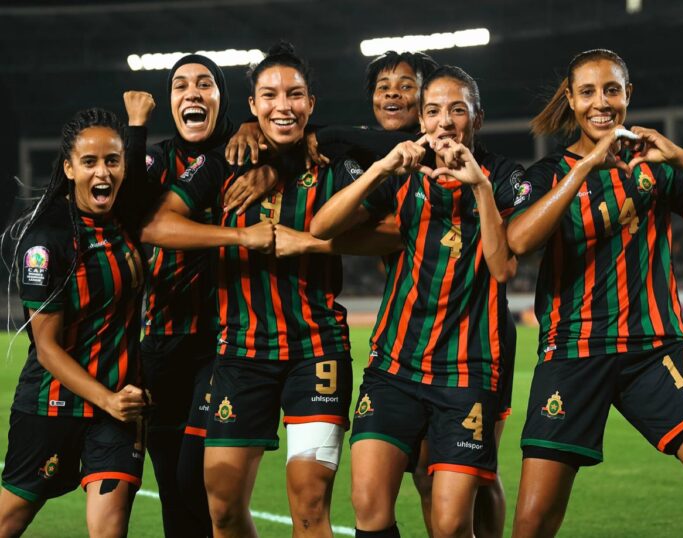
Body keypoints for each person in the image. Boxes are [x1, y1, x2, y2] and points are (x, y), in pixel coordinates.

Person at [142, 42, 399, 538]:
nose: (284, 105)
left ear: (311, 103)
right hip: (240, 355)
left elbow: (393, 232)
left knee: (309, 506)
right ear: (253, 105)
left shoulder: (333, 162)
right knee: (222, 509)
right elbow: (156, 226)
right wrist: (239, 236)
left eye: (295, 94)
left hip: (317, 350)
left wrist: (315, 242)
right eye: (270, 95)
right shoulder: (221, 163)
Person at [506, 48, 683, 538]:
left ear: (628, 94)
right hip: (573, 353)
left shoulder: (655, 166)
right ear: (571, 100)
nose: (601, 102)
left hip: (657, 350)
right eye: (588, 92)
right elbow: (518, 241)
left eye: (612, 90)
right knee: (533, 525)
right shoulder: (548, 173)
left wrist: (682, 157)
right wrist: (585, 167)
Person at [310, 66, 520, 538]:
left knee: (450, 524)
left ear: (477, 118)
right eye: (433, 111)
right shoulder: (403, 172)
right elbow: (322, 227)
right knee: (368, 504)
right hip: (395, 366)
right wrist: (381, 169)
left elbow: (503, 268)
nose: (444, 121)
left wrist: (480, 187)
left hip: (466, 371)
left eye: (457, 110)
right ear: (421, 120)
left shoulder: (504, 175)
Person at [0, 94, 154, 538]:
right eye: (89, 162)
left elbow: (137, 171)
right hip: (52, 405)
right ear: (69, 169)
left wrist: (137, 123)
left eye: (112, 161)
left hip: (119, 408)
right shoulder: (46, 243)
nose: (103, 172)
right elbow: (47, 349)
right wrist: (105, 399)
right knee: (8, 522)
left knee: (108, 530)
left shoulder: (124, 217)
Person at [141, 53, 274, 538]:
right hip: (160, 340)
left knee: (195, 482)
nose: (191, 93)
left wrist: (260, 139)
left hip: (224, 342)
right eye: (180, 85)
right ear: (170, 101)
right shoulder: (154, 161)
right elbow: (137, 220)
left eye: (204, 83)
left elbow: (303, 138)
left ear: (223, 97)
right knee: (173, 493)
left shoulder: (248, 152)